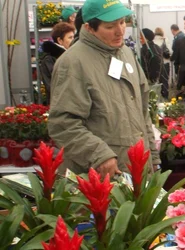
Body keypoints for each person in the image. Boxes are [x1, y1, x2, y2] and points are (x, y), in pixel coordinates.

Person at [48, 0, 160, 177]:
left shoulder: (126, 54)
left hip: (136, 166)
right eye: (110, 26)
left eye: (122, 22)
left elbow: (142, 111)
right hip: (100, 175)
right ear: (89, 28)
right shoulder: (72, 63)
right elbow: (63, 124)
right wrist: (99, 155)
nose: (120, 31)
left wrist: (152, 157)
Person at [39, 22, 75, 105]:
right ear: (60, 40)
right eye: (70, 37)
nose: (73, 40)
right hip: (60, 104)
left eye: (73, 37)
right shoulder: (49, 59)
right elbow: (53, 86)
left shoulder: (71, 55)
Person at [153, 27, 171, 98]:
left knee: (157, 81)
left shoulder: (153, 40)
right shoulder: (165, 39)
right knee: (165, 80)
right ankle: (165, 96)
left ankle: (157, 97)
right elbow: (170, 51)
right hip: (165, 63)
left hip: (156, 64)